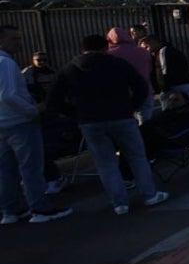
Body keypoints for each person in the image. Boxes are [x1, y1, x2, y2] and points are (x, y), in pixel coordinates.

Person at [47, 34, 168, 216]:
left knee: (105, 163)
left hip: (90, 120)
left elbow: (53, 99)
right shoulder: (117, 64)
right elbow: (140, 86)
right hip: (121, 116)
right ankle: (149, 194)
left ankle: (119, 203)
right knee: (136, 157)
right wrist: (131, 106)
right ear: (105, 47)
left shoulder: (70, 69)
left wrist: (75, 113)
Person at [0, 24, 72, 225]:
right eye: (14, 39)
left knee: (6, 169)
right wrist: (32, 110)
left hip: (3, 123)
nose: (19, 43)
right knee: (30, 167)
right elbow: (8, 95)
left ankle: (10, 209)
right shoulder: (6, 63)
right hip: (19, 122)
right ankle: (40, 207)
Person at [22, 50, 75, 195]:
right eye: (39, 60)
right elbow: (27, 92)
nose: (42, 63)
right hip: (38, 111)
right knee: (42, 147)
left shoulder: (52, 71)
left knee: (48, 145)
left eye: (44, 60)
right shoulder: (28, 74)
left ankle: (52, 177)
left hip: (52, 111)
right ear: (33, 60)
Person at [106, 26, 155, 122]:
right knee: (145, 121)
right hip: (145, 90)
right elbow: (149, 70)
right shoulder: (143, 52)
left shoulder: (109, 55)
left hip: (122, 94)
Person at [138, 33, 189, 109]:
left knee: (169, 107)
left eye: (146, 47)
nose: (146, 50)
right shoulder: (170, 50)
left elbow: (164, 71)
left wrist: (164, 88)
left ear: (154, 42)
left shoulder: (162, 52)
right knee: (183, 106)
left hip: (175, 85)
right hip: (183, 82)